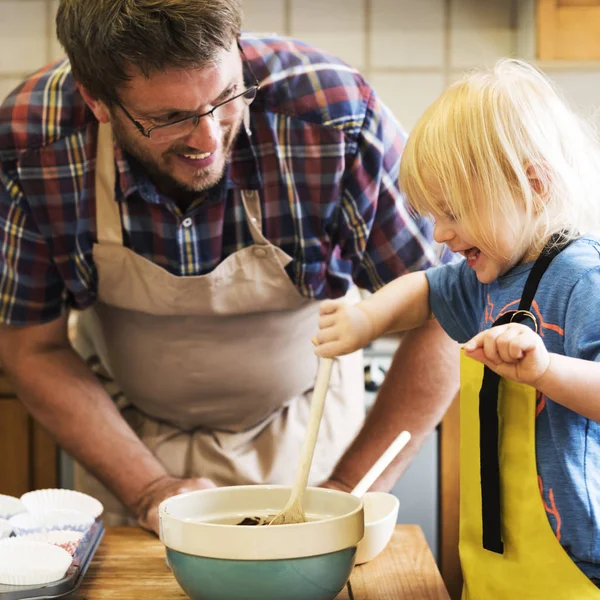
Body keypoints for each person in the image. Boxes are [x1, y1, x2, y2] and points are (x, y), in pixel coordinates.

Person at [0, 0, 458, 532]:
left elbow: (441, 311)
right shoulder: (33, 142)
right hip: (124, 437)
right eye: (168, 118)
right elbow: (33, 347)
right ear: (97, 101)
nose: (209, 139)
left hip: (306, 429)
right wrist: (148, 488)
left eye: (225, 98)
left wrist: (342, 491)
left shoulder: (332, 118)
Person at [314, 59, 600, 597]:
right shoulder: (487, 275)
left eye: (453, 212)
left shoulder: (586, 279)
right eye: (433, 215)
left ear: (532, 187)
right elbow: (424, 289)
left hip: (578, 564)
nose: (442, 233)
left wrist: (544, 368)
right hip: (496, 555)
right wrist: (366, 318)